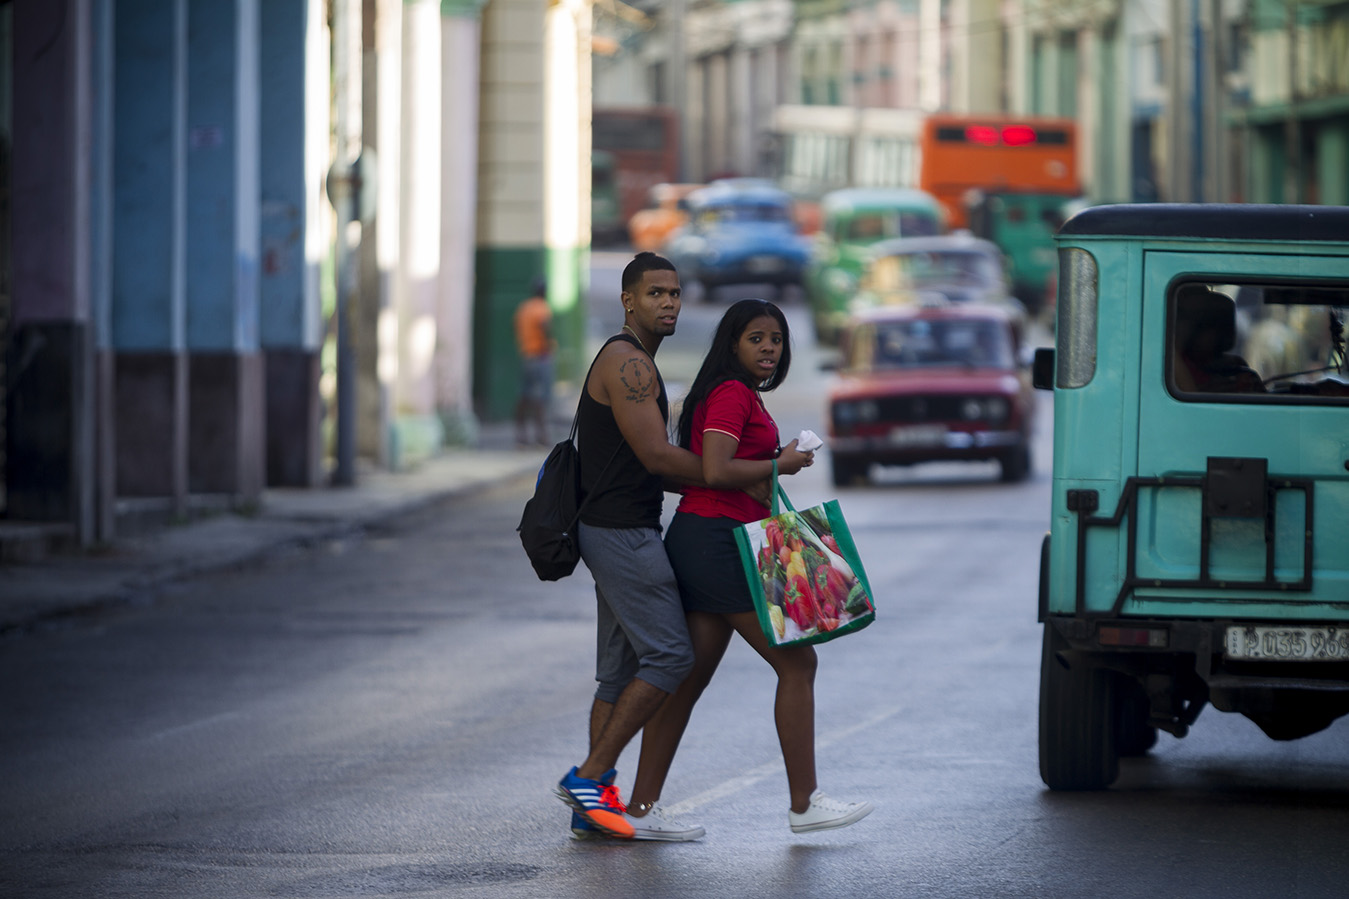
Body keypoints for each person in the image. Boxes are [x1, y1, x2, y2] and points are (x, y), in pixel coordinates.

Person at [626, 298, 874, 835]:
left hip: (707, 538)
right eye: (756, 339)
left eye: (776, 340)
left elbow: (725, 466)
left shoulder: (736, 392)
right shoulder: (731, 392)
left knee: (688, 680)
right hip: (718, 542)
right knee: (798, 664)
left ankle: (640, 810)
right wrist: (779, 463)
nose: (768, 349)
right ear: (732, 344)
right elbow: (715, 470)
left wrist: (771, 465)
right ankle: (805, 805)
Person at [555, 253, 773, 843]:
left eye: (674, 293)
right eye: (656, 294)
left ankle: (594, 807)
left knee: (617, 673)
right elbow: (657, 456)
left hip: (613, 527)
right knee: (672, 657)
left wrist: (721, 478)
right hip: (623, 534)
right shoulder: (631, 364)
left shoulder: (635, 360)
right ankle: (587, 779)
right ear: (628, 301)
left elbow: (645, 464)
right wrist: (735, 474)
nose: (669, 303)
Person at [1173, 285, 1265, 394]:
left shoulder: (1238, 370)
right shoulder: (1172, 364)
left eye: (1206, 325)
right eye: (1183, 320)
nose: (1189, 330)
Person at [513, 277, 555, 446]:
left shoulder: (524, 308)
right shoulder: (542, 308)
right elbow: (545, 326)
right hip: (540, 356)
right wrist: (549, 345)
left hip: (526, 356)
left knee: (524, 395)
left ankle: (521, 433)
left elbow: (514, 328)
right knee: (540, 397)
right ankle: (541, 434)